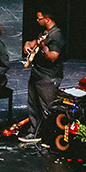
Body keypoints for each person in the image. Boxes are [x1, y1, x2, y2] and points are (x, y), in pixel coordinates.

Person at [22, 8, 65, 143]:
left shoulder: (56, 35)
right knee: (34, 106)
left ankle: (50, 138)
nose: (37, 21)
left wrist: (44, 48)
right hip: (37, 74)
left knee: (47, 108)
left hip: (48, 77)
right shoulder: (45, 32)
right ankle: (35, 133)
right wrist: (27, 44)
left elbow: (53, 56)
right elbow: (34, 42)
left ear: (47, 19)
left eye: (39, 18)